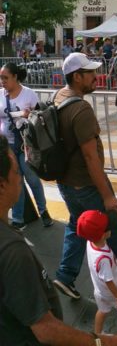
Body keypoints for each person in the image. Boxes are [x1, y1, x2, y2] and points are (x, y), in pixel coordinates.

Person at [0, 138, 117, 346]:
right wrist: (102, 343)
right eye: (17, 171)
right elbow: (46, 329)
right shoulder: (12, 251)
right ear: (2, 184)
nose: (21, 178)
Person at [52, 53, 117, 301]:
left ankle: (65, 276)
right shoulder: (81, 109)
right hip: (87, 183)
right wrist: (108, 195)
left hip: (66, 182)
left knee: (75, 224)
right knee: (110, 220)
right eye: (90, 73)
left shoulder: (59, 96)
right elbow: (91, 158)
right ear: (77, 77)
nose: (96, 77)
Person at [0, 63, 53, 230]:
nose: (2, 81)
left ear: (15, 77)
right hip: (7, 145)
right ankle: (18, 219)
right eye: (1, 78)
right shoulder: (0, 94)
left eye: (5, 78)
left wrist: (29, 115)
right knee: (16, 181)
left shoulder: (29, 94)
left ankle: (43, 211)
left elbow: (40, 117)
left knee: (32, 179)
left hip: (26, 145)